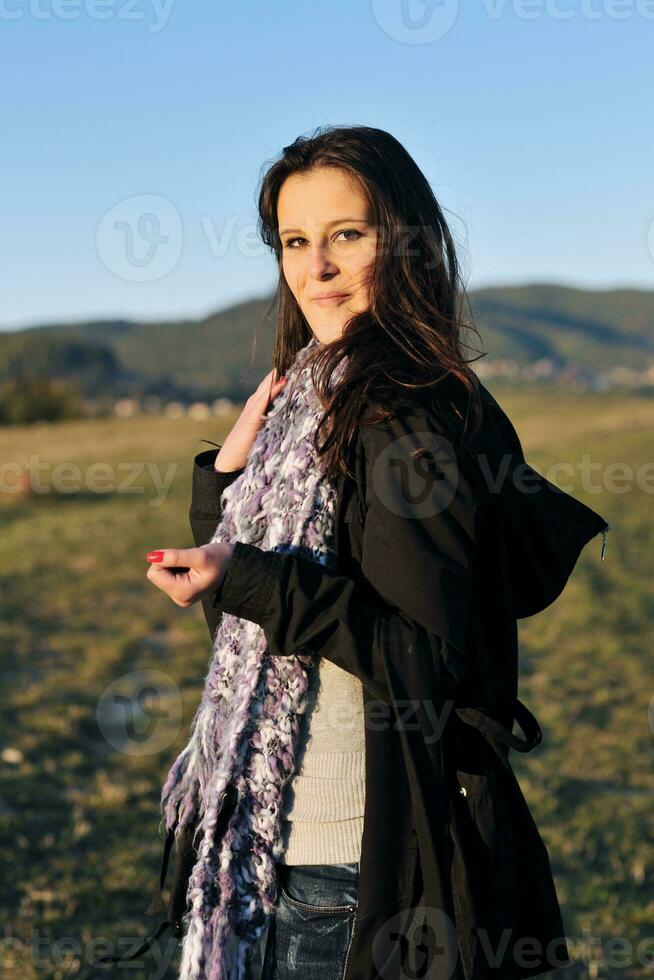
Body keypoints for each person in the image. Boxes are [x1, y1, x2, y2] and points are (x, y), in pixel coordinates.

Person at [106, 125, 610, 980]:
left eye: (347, 236)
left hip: (346, 875)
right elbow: (267, 642)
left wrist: (257, 578)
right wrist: (222, 482)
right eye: (296, 242)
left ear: (405, 243)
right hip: (277, 856)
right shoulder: (311, 404)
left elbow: (426, 662)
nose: (317, 269)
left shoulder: (404, 419)